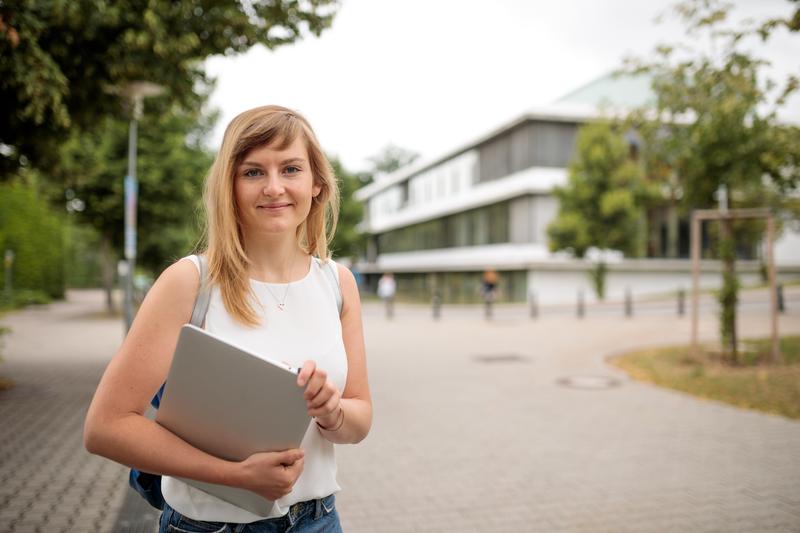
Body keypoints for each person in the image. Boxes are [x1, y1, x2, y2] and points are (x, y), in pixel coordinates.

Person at [84, 105, 372, 532]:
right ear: (230, 187)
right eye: (253, 172)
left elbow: (360, 420)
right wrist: (235, 477)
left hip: (318, 520)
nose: (274, 188)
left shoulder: (337, 283)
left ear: (317, 184)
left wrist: (333, 413)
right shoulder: (190, 281)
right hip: (210, 526)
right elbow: (106, 428)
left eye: (291, 168)